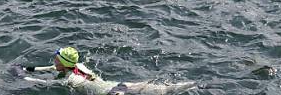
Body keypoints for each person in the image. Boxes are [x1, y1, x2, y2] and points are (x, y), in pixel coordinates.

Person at [23, 47, 195, 94]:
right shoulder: (79, 65)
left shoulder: (70, 79)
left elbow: (45, 82)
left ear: (63, 63)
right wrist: (26, 68)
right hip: (116, 86)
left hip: (110, 94)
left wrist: (25, 79)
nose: (54, 60)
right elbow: (45, 68)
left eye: (57, 58)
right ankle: (188, 86)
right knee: (156, 89)